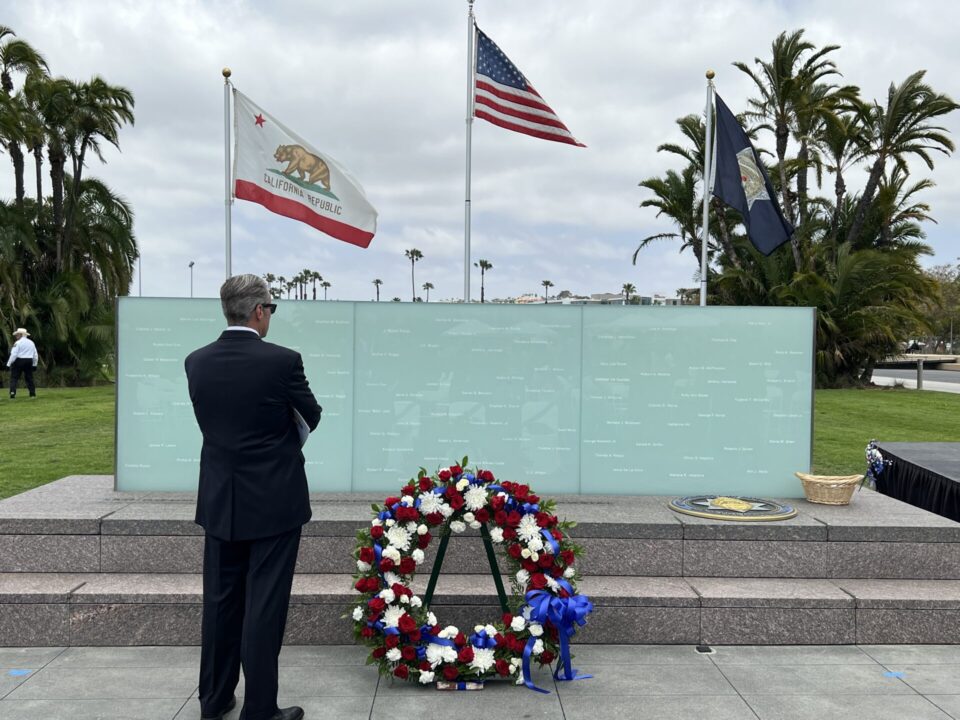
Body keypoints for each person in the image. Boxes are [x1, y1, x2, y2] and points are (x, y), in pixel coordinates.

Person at [185, 274, 322, 720]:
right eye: (272, 310)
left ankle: (215, 699)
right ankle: (260, 709)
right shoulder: (282, 361)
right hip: (275, 501)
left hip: (221, 500)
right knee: (264, 606)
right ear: (259, 311)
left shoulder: (197, 361)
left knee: (221, 603)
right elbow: (311, 415)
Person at [7, 328, 38, 399]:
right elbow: (35, 355)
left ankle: (12, 393)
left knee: (14, 377)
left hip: (19, 361)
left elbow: (14, 354)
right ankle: (32, 393)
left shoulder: (17, 343)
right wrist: (34, 364)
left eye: (17, 335)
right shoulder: (31, 343)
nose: (16, 336)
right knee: (29, 378)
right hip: (29, 361)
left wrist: (8, 364)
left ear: (21, 335)